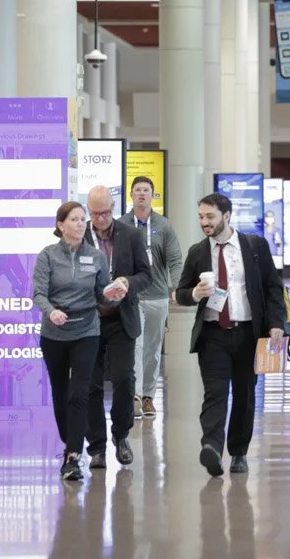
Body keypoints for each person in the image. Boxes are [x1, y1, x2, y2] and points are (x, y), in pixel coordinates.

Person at [174, 193, 287, 477]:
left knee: (244, 395)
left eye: (210, 217)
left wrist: (276, 323)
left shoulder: (254, 246)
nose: (204, 222)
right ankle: (211, 446)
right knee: (215, 393)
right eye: (201, 217)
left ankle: (238, 452)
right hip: (213, 334)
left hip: (249, 333)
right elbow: (180, 294)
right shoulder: (198, 252)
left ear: (227, 216)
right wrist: (194, 294)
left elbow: (273, 287)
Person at [33, 201, 119, 481]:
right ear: (61, 225)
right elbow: (38, 294)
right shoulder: (47, 256)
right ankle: (68, 438)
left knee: (79, 392)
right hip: (54, 333)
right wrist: (51, 311)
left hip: (86, 330)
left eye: (83, 219)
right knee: (60, 392)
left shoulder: (95, 257)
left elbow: (102, 293)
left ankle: (72, 457)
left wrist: (112, 294)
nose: (81, 224)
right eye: (74, 219)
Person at [84, 186, 152, 470]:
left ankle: (121, 436)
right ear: (88, 211)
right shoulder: (78, 236)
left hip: (121, 319)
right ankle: (97, 446)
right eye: (95, 213)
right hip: (88, 321)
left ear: (114, 208)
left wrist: (127, 282)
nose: (101, 219)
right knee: (90, 383)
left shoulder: (131, 235)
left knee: (124, 379)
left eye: (106, 212)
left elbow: (146, 275)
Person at [123, 175, 182, 420]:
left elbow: (175, 260)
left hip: (157, 296)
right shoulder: (122, 224)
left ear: (152, 195)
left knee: (152, 349)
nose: (141, 194)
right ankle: (134, 397)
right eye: (137, 190)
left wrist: (177, 287)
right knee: (134, 346)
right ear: (131, 195)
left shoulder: (164, 225)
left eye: (146, 190)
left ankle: (148, 396)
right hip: (132, 297)